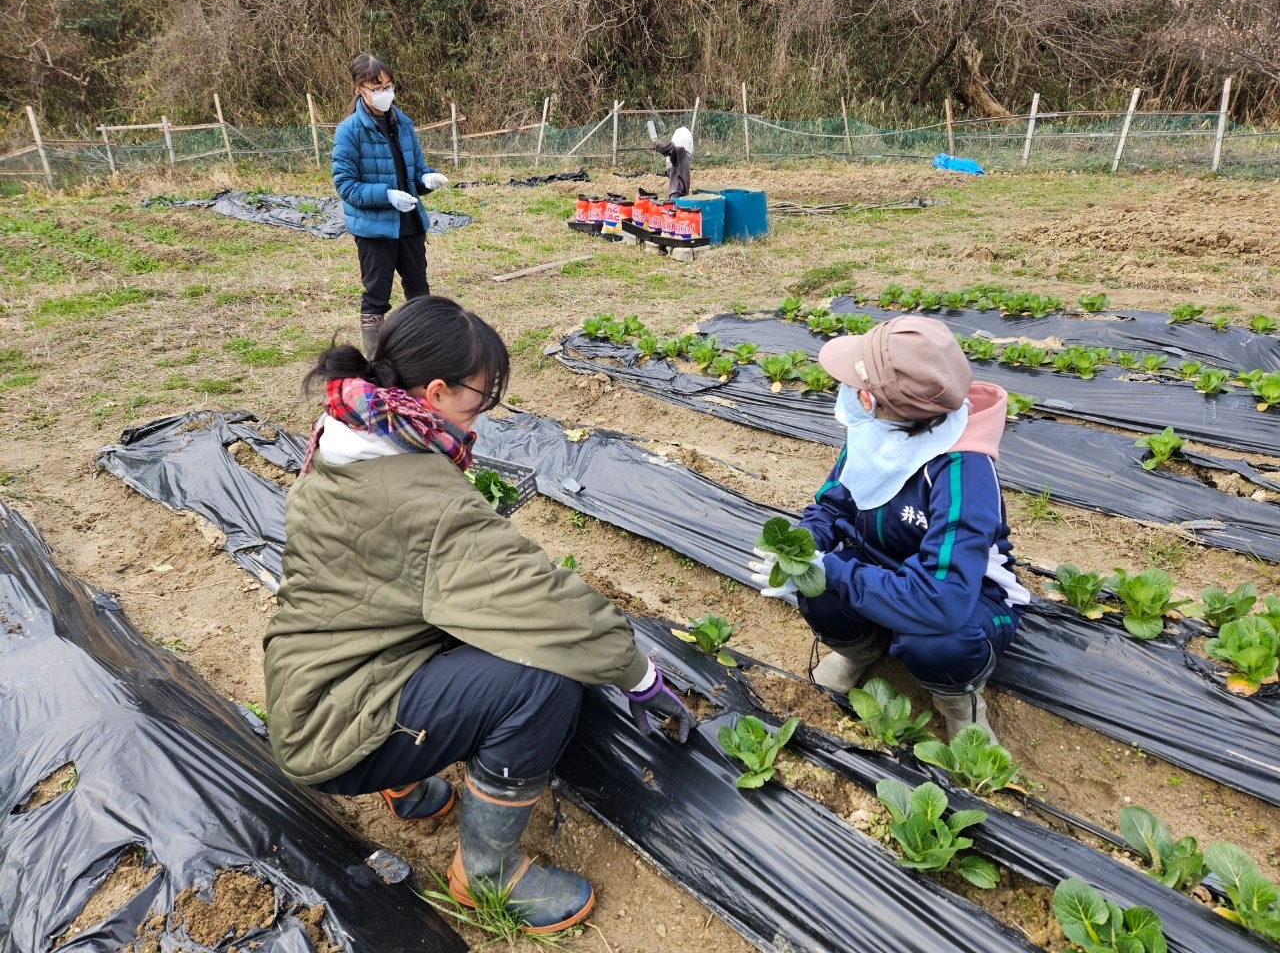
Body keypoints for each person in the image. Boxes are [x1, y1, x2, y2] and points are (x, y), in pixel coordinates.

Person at [263, 295, 695, 933]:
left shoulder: (349, 434)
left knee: (459, 623)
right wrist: (640, 676)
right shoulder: (423, 495)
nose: (483, 415)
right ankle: (486, 872)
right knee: (541, 678)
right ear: (435, 392)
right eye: (480, 398)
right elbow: (544, 603)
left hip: (313, 679)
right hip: (335, 729)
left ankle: (405, 784)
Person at [751, 316, 1030, 742]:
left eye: (853, 387)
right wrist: (801, 550)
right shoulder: (877, 432)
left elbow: (943, 600)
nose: (844, 393)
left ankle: (959, 702)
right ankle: (860, 652)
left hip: (961, 594)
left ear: (870, 398)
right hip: (880, 568)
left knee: (939, 643)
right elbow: (833, 503)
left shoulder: (962, 471)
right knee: (817, 592)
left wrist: (836, 571)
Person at [332, 53, 450, 358]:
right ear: (359, 88)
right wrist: (387, 195)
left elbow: (416, 172)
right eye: (376, 86)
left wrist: (427, 180)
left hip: (410, 223)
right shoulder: (349, 131)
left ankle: (423, 351)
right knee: (376, 296)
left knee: (419, 291)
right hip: (375, 229)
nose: (385, 92)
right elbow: (346, 186)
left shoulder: (403, 124)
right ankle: (375, 358)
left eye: (388, 85)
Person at [651, 125, 692, 198]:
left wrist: (655, 144)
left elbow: (668, 148)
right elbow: (673, 169)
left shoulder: (679, 153)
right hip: (683, 192)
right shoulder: (685, 157)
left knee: (674, 207)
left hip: (676, 191)